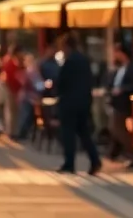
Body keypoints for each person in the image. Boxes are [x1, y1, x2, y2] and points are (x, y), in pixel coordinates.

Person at [55, 33, 101, 176]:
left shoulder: (69, 62)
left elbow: (61, 82)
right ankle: (95, 160)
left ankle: (69, 164)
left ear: (67, 46)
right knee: (84, 133)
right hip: (83, 102)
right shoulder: (84, 60)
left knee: (68, 134)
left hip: (69, 102)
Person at [106, 42, 133, 164]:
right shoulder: (120, 68)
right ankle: (115, 153)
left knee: (119, 129)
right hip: (116, 103)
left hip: (125, 104)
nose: (115, 55)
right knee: (115, 128)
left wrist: (122, 89)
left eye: (117, 52)